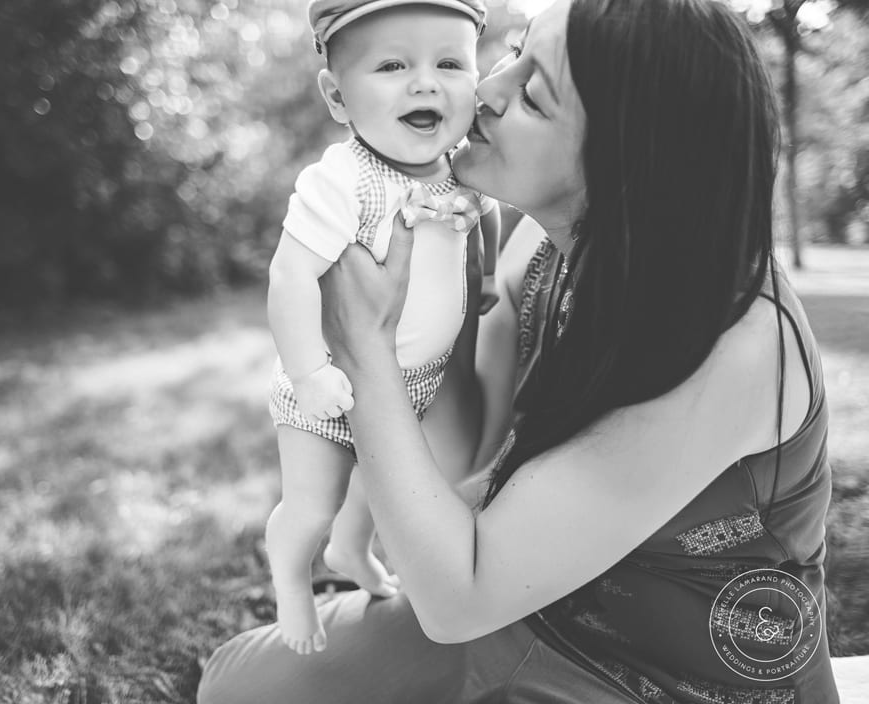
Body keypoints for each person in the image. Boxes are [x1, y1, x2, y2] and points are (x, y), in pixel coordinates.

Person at [200, 0, 842, 700]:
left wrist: (364, 350)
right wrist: (436, 310)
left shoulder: (738, 345)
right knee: (237, 682)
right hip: (533, 605)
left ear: (627, 159)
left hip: (671, 676)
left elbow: (458, 597)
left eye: (533, 96)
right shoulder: (538, 242)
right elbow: (461, 461)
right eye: (512, 54)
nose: (486, 90)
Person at [264, 0, 500, 655]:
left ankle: (351, 552)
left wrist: (482, 282)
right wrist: (310, 373)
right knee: (315, 501)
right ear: (338, 98)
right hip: (329, 384)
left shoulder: (458, 164)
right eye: (393, 65)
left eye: (450, 63)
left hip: (410, 386)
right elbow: (290, 279)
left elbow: (481, 220)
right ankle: (292, 573)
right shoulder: (342, 181)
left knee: (382, 489)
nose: (426, 82)